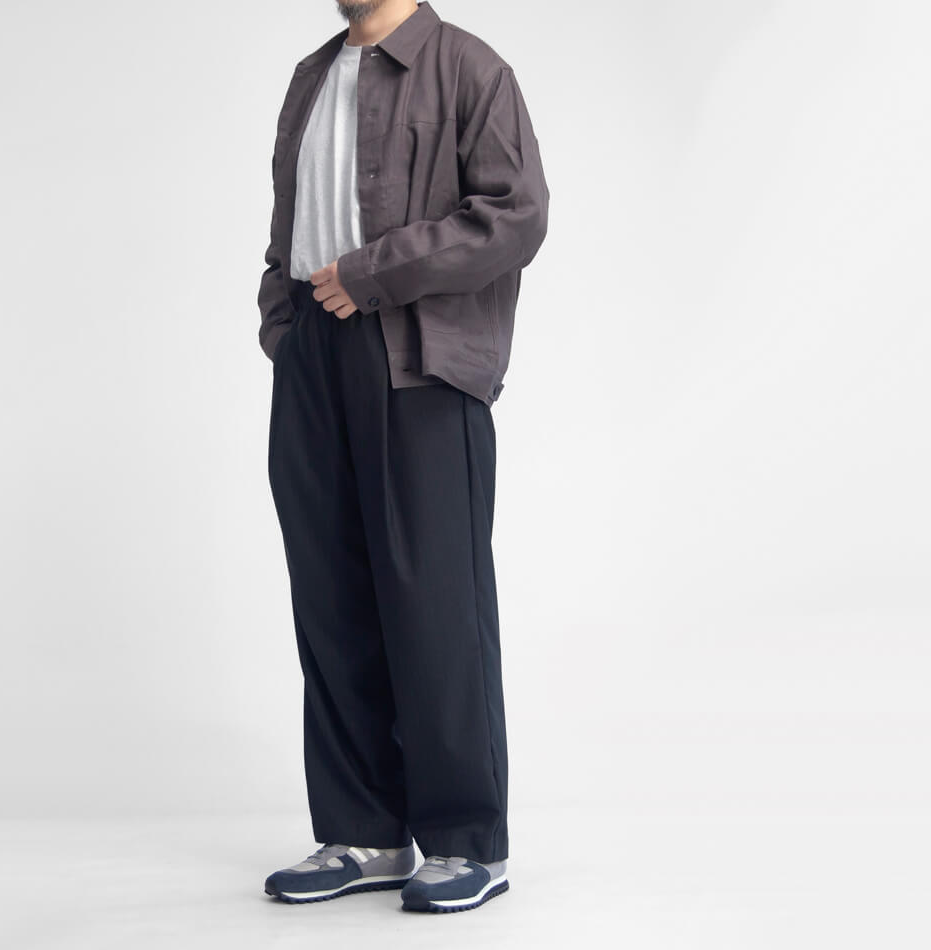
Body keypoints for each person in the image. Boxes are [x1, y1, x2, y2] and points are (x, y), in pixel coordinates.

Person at [257, 0, 548, 913]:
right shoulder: (311, 75)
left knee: (436, 603)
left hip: (418, 359)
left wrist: (372, 273)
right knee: (331, 596)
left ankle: (467, 842)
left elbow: (515, 216)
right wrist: (284, 326)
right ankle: (364, 832)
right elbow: (289, 224)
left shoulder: (468, 67)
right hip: (315, 351)